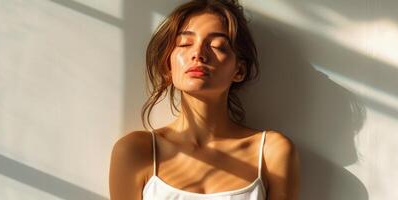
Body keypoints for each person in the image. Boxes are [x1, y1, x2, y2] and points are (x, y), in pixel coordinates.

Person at [109, 0, 300, 199]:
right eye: (185, 44)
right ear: (168, 66)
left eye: (217, 46)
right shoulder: (136, 152)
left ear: (239, 70)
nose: (198, 54)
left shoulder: (271, 152)